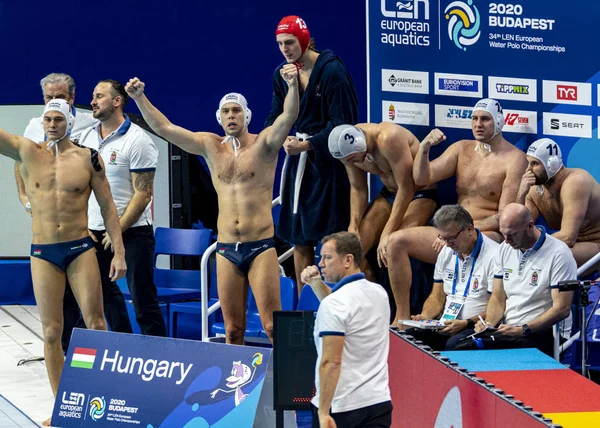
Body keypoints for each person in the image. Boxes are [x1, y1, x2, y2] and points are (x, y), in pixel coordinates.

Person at [125, 66, 299, 344]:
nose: (232, 116)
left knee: (272, 326)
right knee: (232, 330)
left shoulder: (264, 144)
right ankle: (237, 388)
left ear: (246, 116)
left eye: (237, 111)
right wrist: (139, 98)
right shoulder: (210, 146)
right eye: (227, 112)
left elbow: (287, 117)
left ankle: (286, 386)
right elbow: (164, 128)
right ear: (219, 118)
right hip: (226, 248)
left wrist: (291, 86)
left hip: (261, 246)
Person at [0, 99, 126, 426]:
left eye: (58, 119)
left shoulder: (88, 158)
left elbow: (109, 206)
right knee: (52, 332)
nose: (52, 124)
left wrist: (121, 252)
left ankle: (98, 399)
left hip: (80, 247)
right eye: (48, 119)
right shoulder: (28, 152)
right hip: (44, 253)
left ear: (69, 121)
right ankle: (62, 409)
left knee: (96, 324)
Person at [386, 99, 528, 325]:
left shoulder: (514, 159)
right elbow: (422, 178)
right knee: (395, 241)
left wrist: (460, 234)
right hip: (452, 233)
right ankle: (402, 317)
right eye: (474, 119)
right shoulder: (461, 149)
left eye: (485, 119)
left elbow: (504, 217)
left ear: (499, 122)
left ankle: (470, 319)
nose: (478, 124)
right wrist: (424, 150)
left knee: (482, 237)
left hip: (487, 233)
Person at [266, 15, 358, 295]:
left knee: (330, 239)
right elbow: (276, 116)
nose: (285, 48)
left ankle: (337, 304)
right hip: (299, 167)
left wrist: (307, 145)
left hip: (330, 165)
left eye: (290, 42)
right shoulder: (282, 74)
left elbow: (343, 125)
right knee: (299, 238)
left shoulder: (331, 72)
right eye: (280, 43)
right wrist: (265, 140)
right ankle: (304, 305)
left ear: (304, 41)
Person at [71, 79, 166, 339]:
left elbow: (143, 194)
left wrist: (117, 231)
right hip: (93, 233)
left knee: (144, 303)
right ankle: (118, 350)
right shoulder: (85, 138)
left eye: (99, 96)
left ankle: (158, 363)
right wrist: (82, 225)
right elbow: (78, 187)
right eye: (93, 96)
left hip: (133, 232)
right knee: (96, 301)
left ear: (117, 101)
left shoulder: (138, 140)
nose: (92, 101)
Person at [453, 203, 576, 356]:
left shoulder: (559, 253)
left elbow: (562, 309)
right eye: (503, 233)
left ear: (530, 226)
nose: (507, 239)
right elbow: (498, 297)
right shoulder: (505, 248)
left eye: (512, 234)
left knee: (469, 350)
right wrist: (488, 323)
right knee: (456, 344)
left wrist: (523, 329)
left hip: (545, 332)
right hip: (509, 329)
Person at [301, 232, 392, 428]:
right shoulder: (380, 293)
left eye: (327, 257)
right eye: (320, 258)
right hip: (379, 403)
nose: (321, 264)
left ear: (348, 260)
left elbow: (331, 362)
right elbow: (344, 308)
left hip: (341, 408)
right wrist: (316, 283)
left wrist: (323, 412)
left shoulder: (335, 304)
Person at [328, 122, 437, 278]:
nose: (352, 164)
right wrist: (354, 225)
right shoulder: (347, 150)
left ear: (361, 145)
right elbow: (358, 188)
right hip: (389, 194)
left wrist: (386, 233)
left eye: (353, 159)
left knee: (393, 245)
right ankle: (372, 297)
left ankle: (401, 303)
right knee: (352, 251)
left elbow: (406, 188)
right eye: (347, 161)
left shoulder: (389, 138)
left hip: (419, 194)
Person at [404, 205, 499, 351]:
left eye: (451, 238)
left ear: (469, 229)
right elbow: (436, 297)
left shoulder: (494, 255)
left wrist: (466, 323)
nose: (447, 244)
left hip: (475, 325)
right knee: (409, 338)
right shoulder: (447, 251)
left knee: (454, 345)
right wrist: (425, 317)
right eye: (443, 238)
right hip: (447, 324)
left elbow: (498, 304)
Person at [15, 73, 97, 214]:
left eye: (59, 97)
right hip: (48, 209)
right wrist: (23, 197)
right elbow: (20, 160)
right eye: (49, 97)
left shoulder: (92, 123)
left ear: (72, 98)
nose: (54, 102)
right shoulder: (35, 125)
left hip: (84, 208)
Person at [517, 138, 600, 273]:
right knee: (513, 253)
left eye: (535, 164)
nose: (528, 170)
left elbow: (568, 238)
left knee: (550, 258)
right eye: (528, 163)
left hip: (596, 246)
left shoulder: (576, 182)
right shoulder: (534, 190)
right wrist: (521, 193)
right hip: (573, 246)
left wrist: (529, 244)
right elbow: (518, 228)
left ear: (552, 164)